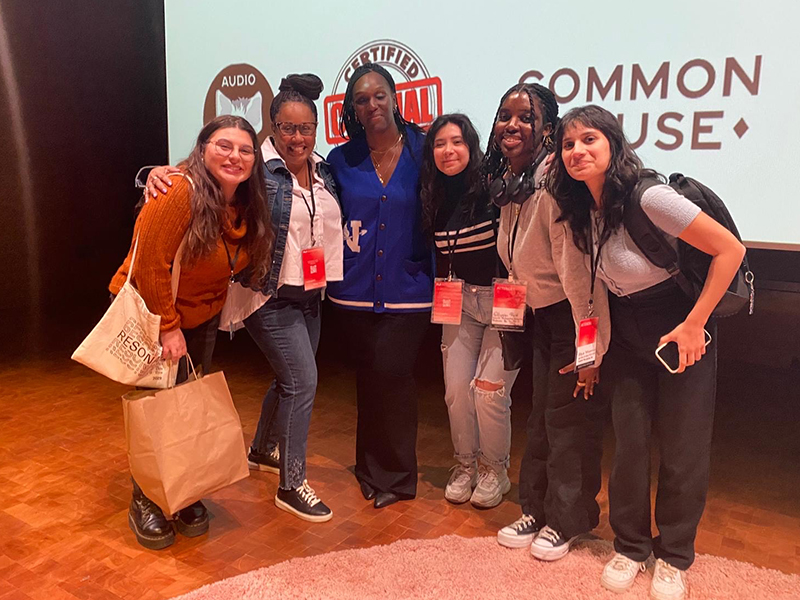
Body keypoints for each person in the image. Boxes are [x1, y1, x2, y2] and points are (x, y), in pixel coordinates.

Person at [548, 104, 745, 600]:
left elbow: (730, 251)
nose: (577, 151)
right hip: (628, 334)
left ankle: (675, 555)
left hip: (682, 326)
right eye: (568, 144)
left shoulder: (648, 196)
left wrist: (695, 324)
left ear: (613, 144)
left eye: (589, 139)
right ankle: (631, 546)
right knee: (630, 446)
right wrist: (591, 355)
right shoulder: (582, 211)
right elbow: (595, 289)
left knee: (682, 448)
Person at [147, 74, 342, 524]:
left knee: (290, 378)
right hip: (266, 295)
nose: (298, 137)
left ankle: (261, 448)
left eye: (306, 128)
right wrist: (153, 173)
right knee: (303, 382)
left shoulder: (324, 168)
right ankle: (293, 485)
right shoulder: (260, 169)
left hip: (310, 293)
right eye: (288, 128)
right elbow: (194, 181)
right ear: (272, 128)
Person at [110, 115, 272, 549]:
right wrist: (167, 327)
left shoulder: (244, 204)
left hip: (200, 317)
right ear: (202, 149)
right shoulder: (180, 191)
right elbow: (150, 266)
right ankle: (144, 499)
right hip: (155, 313)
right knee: (157, 411)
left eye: (245, 149)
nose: (234, 156)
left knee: (184, 406)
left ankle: (178, 491)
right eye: (224, 145)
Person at [487, 84, 611, 561]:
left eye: (525, 117)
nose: (511, 125)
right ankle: (536, 508)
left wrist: (589, 353)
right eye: (504, 116)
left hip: (571, 316)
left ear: (546, 128)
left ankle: (568, 518)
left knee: (568, 423)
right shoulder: (512, 186)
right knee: (541, 418)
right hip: (539, 316)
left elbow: (582, 281)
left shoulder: (556, 187)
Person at [326, 63, 432, 509]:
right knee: (368, 378)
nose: (372, 105)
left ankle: (398, 476)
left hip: (410, 291)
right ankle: (369, 469)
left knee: (393, 375)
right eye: (361, 99)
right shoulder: (341, 159)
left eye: (379, 95)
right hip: (354, 290)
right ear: (352, 109)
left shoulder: (425, 152)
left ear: (395, 98)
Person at [419, 113, 518, 508]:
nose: (449, 150)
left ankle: (496, 470)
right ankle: (465, 465)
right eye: (440, 144)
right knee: (457, 391)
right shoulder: (435, 197)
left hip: (504, 298)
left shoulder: (493, 190)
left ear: (471, 146)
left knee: (489, 393)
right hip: (459, 299)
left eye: (457, 142)